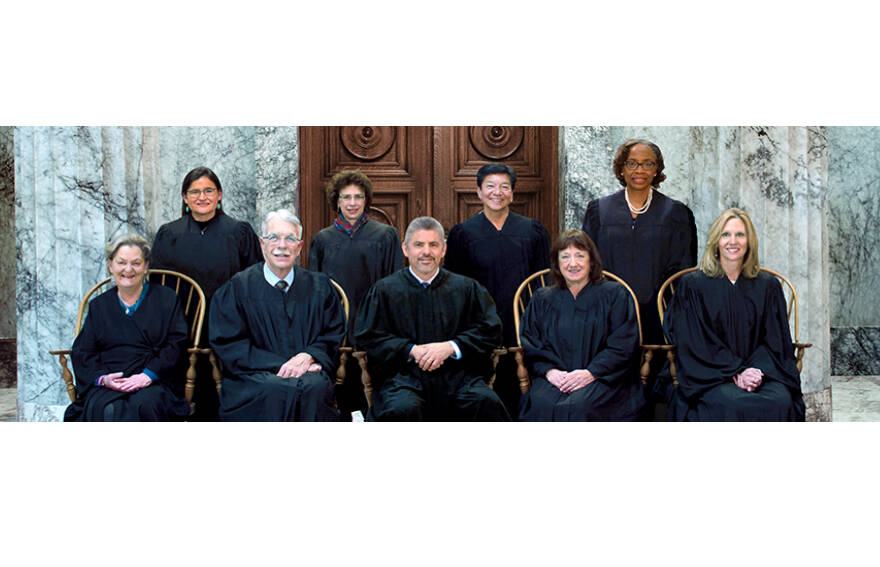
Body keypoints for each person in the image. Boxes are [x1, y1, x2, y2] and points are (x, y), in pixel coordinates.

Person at [355, 216, 510, 421]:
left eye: (433, 245)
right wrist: (411, 350)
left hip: (459, 378)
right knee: (401, 408)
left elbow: (490, 330)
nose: (426, 252)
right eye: (419, 245)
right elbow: (368, 336)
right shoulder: (384, 291)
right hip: (403, 379)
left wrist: (451, 347)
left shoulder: (466, 289)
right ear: (405, 249)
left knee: (485, 402)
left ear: (443, 250)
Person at [581, 139, 697, 412]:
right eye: (632, 163)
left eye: (648, 164)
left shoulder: (675, 213)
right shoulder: (599, 210)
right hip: (609, 313)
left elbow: (682, 269)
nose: (639, 170)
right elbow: (588, 261)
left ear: (657, 170)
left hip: (656, 313)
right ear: (621, 168)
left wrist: (665, 310)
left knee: (653, 386)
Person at [663, 208, 805, 421]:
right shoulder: (693, 286)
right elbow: (694, 341)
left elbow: (776, 342)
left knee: (780, 400)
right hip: (709, 376)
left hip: (760, 374)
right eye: (726, 234)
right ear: (716, 241)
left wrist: (753, 372)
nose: (733, 241)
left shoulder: (768, 286)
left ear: (749, 242)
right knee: (733, 402)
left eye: (740, 235)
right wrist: (735, 371)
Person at [209, 209, 345, 421]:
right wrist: (280, 365)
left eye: (290, 239)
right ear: (262, 244)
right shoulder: (237, 288)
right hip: (253, 376)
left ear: (299, 247)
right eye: (274, 238)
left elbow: (332, 334)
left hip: (308, 372)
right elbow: (230, 343)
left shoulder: (320, 287)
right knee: (275, 389)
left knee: (315, 387)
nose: (282, 246)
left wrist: (309, 355)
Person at [151, 166, 263, 420]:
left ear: (220, 194)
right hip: (183, 324)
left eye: (209, 190)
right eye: (195, 191)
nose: (202, 197)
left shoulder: (239, 231)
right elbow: (158, 285)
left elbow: (254, 280)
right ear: (184, 197)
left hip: (229, 324)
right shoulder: (169, 234)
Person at [445, 162, 551, 417]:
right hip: (481, 326)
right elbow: (456, 286)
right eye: (490, 186)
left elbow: (543, 280)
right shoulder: (463, 234)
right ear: (479, 192)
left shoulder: (532, 230)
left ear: (513, 193)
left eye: (504, 187)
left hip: (524, 324)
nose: (497, 192)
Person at [518, 230, 645, 421]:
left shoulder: (615, 295)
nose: (572, 263)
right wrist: (550, 372)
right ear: (557, 262)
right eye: (565, 257)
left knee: (579, 406)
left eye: (580, 256)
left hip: (604, 378)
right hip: (556, 379)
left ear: (591, 261)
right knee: (542, 403)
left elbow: (623, 344)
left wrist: (591, 372)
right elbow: (532, 343)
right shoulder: (542, 299)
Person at [65, 234, 191, 421]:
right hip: (110, 382)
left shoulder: (167, 299)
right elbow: (83, 351)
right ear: (110, 266)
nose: (128, 269)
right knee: (105, 408)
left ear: (146, 266)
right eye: (121, 262)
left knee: (145, 405)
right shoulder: (99, 305)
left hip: (154, 380)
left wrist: (147, 375)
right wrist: (103, 379)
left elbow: (176, 345)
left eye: (136, 263)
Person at [308, 169, 403, 418]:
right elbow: (315, 291)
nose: (352, 203)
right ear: (336, 201)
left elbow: (394, 285)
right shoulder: (322, 240)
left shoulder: (386, 236)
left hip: (372, 322)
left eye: (358, 197)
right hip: (335, 325)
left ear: (366, 200)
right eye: (346, 197)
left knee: (374, 385)